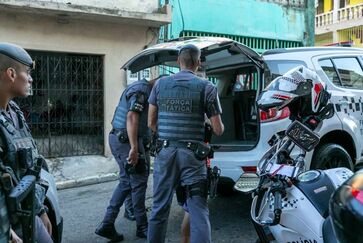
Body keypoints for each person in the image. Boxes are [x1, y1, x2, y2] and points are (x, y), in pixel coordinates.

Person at [147, 44, 224, 243]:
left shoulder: (160, 85)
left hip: (165, 153)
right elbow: (218, 129)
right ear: (198, 63)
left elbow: (151, 122)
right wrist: (204, 120)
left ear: (178, 62)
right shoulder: (207, 87)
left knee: (159, 208)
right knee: (198, 211)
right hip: (193, 157)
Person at [0, 42, 53, 242]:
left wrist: (40, 210)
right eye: (27, 73)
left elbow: (32, 164)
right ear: (11, 74)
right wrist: (6, 232)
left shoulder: (14, 111)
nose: (30, 79)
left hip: (26, 215)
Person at [95, 75, 158, 241]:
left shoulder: (144, 89)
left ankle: (108, 223)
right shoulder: (142, 90)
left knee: (126, 181)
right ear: (157, 84)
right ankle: (142, 226)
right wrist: (134, 148)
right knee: (138, 182)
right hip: (127, 142)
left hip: (122, 139)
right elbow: (132, 116)